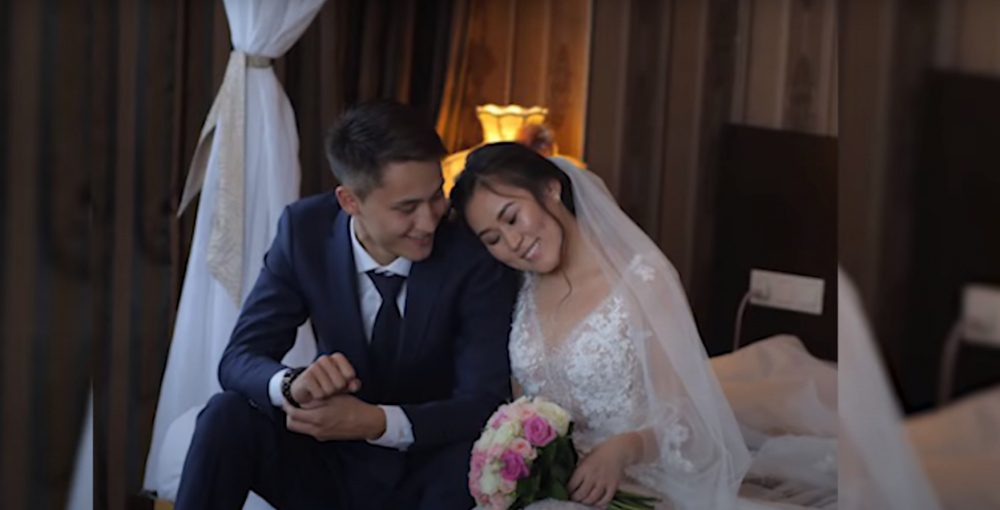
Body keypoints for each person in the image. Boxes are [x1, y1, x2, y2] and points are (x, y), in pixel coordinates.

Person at [173, 100, 519, 510]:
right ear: (350, 201)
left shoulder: (471, 255)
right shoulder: (304, 231)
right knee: (225, 414)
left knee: (470, 454)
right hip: (326, 467)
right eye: (407, 208)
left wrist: (375, 422)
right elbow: (238, 359)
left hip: (430, 471)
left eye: (436, 196)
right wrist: (292, 386)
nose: (429, 221)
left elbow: (483, 401)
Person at [451, 142, 834, 510]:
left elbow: (689, 419)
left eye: (512, 218)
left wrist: (624, 449)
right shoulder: (517, 289)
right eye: (493, 239)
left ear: (550, 189)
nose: (513, 242)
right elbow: (522, 409)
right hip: (557, 485)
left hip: (641, 483)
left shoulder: (641, 281)